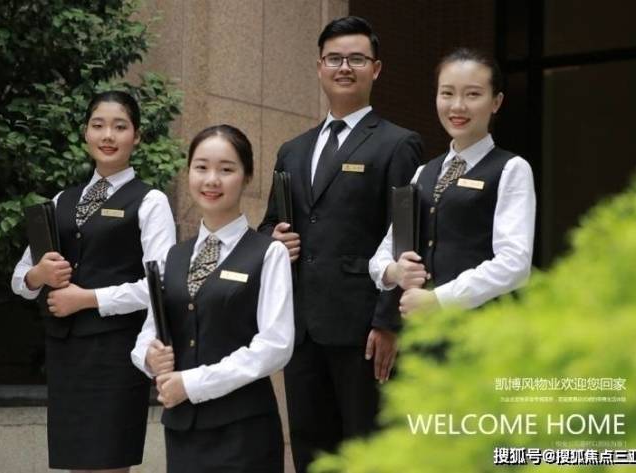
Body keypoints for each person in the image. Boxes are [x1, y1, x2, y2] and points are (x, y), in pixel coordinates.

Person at [258, 16, 424, 472]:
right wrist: (273, 239)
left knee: (367, 452)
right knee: (311, 450)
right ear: (319, 67)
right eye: (334, 59)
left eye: (356, 59)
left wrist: (389, 322)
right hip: (302, 329)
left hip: (364, 331)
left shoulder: (398, 144)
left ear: (376, 69)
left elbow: (406, 238)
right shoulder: (293, 150)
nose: (344, 67)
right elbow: (270, 222)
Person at [11, 90, 176, 472]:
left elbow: (159, 284)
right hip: (66, 355)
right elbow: (20, 277)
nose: (108, 135)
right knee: (77, 464)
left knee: (109, 462)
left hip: (116, 354)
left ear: (137, 136)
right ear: (85, 133)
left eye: (120, 127)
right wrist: (39, 275)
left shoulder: (150, 201)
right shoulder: (60, 201)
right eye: (98, 125)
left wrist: (88, 299)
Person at [131, 124, 295, 473]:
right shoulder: (173, 256)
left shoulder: (269, 253)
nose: (211, 180)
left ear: (247, 176)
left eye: (226, 169)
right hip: (183, 431)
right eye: (201, 167)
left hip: (243, 432)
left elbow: (275, 345)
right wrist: (149, 355)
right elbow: (150, 330)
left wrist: (192, 384)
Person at [369, 47, 536, 317]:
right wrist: (394, 271)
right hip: (422, 331)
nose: (458, 106)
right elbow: (384, 252)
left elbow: (514, 264)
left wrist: (440, 299)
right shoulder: (422, 172)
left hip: (480, 329)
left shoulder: (511, 169)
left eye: (473, 94)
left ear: (496, 102)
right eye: (447, 93)